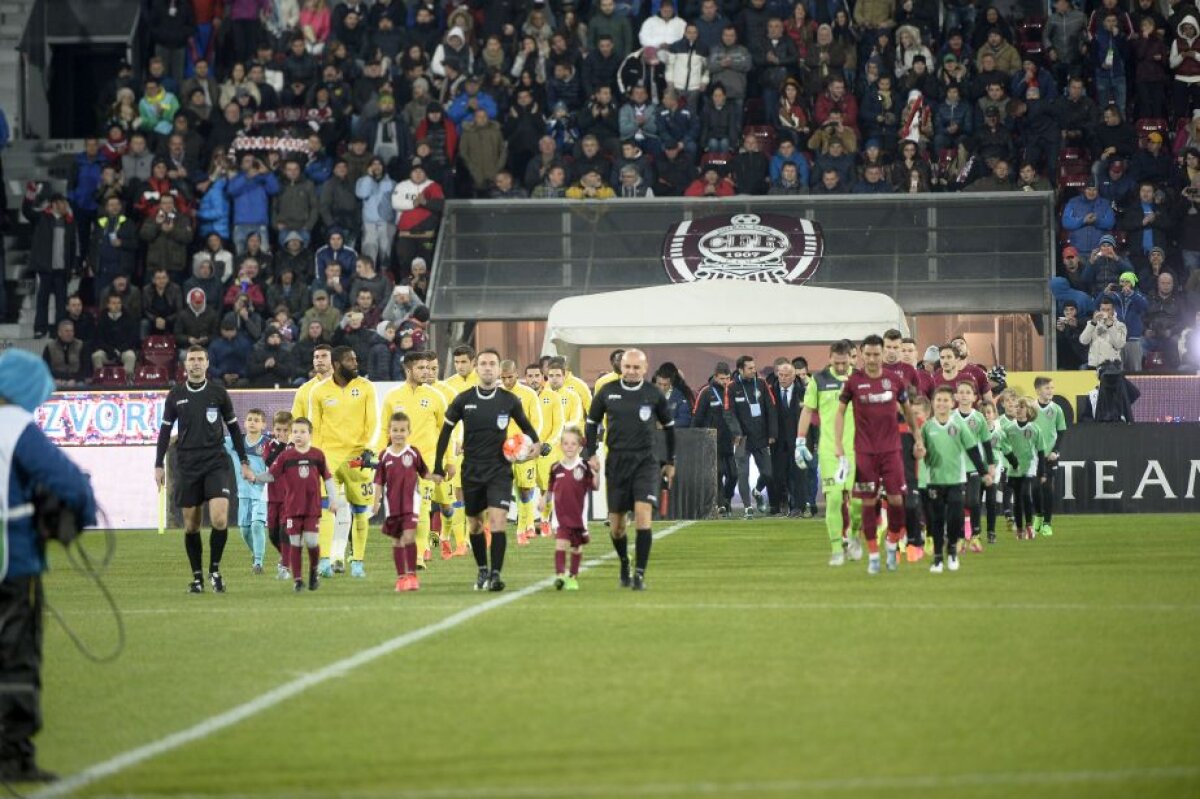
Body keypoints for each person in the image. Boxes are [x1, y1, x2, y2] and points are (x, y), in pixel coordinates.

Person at [0, 350, 97, 783]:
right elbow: (69, 483)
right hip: (12, 561)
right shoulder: (15, 425)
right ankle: (12, 755)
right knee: (16, 656)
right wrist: (80, 515)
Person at [432, 349, 542, 592]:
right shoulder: (462, 400)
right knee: (475, 525)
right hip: (471, 470)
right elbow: (445, 434)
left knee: (498, 520)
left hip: (500, 470)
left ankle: (495, 574)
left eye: (492, 363)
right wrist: (438, 465)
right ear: (476, 367)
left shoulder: (509, 400)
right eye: (483, 364)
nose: (488, 368)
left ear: (498, 369)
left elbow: (527, 427)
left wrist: (537, 445)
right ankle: (482, 569)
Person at [155, 346, 256, 593]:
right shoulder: (175, 394)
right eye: (192, 360)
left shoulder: (218, 392)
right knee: (191, 525)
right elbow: (165, 431)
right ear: (186, 365)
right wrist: (158, 464)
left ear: (208, 363)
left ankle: (215, 571)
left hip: (215, 461)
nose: (196, 363)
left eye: (201, 359)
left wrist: (243, 460)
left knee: (220, 519)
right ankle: (197, 577)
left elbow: (233, 429)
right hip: (187, 464)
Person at [584, 349, 675, 591]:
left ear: (645, 369)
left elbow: (669, 427)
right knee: (617, 526)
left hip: (645, 463)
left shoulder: (653, 393)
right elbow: (591, 423)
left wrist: (669, 462)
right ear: (621, 367)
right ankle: (625, 562)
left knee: (643, 516)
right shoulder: (607, 391)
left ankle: (640, 575)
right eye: (627, 367)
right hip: (617, 463)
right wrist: (590, 454)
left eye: (637, 367)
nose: (632, 371)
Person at [834, 334, 924, 575]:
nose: (872, 359)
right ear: (862, 354)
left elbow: (907, 410)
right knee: (868, 501)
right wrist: (838, 445)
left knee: (896, 500)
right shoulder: (853, 381)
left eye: (877, 354)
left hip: (892, 450)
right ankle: (874, 554)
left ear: (882, 353)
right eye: (868, 354)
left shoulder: (894, 380)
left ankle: (892, 542)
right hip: (864, 452)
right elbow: (840, 412)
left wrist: (917, 438)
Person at [307, 346, 378, 578]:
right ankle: (325, 560)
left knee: (360, 510)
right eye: (350, 360)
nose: (355, 363)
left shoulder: (366, 387)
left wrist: (369, 449)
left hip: (357, 456)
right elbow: (314, 427)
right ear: (337, 364)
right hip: (328, 456)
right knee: (326, 507)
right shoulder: (318, 392)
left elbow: (373, 422)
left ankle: (357, 561)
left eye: (355, 359)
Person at [375, 351, 447, 569]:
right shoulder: (392, 396)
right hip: (398, 463)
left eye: (428, 367)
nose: (426, 372)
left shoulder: (436, 397)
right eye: (421, 368)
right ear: (408, 370)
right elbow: (384, 429)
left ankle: (418, 556)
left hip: (427, 460)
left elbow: (446, 430)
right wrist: (379, 453)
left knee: (424, 507)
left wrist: (449, 459)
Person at [796, 340, 862, 566]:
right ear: (830, 358)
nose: (842, 366)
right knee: (834, 499)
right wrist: (800, 441)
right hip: (829, 450)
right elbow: (807, 410)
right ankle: (836, 548)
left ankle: (853, 536)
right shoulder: (819, 380)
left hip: (857, 450)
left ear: (851, 358)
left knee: (858, 504)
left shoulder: (861, 379)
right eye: (838, 362)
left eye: (845, 362)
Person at [921, 386, 991, 573]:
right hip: (934, 480)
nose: (942, 404)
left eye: (945, 400)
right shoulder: (927, 427)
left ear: (952, 403)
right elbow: (920, 455)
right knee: (936, 520)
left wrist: (984, 472)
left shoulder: (958, 426)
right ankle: (937, 558)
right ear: (933, 403)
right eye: (938, 400)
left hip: (956, 480)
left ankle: (952, 550)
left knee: (954, 518)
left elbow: (973, 450)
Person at [265, 418, 338, 592]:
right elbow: (271, 474)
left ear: (310, 434)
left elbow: (327, 478)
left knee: (312, 542)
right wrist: (255, 478)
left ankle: (314, 571)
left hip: (312, 507)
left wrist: (333, 499)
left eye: (302, 432)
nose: (298, 435)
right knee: (295, 542)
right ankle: (298, 580)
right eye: (295, 432)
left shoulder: (317, 454)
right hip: (291, 508)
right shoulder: (285, 456)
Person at [373, 412, 431, 592]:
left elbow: (424, 473)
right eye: (395, 430)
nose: (398, 433)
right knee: (397, 541)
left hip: (411, 503)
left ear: (409, 431)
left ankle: (412, 575)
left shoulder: (413, 452)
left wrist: (437, 476)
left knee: (409, 536)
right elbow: (379, 481)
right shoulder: (384, 455)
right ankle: (401, 578)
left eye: (402, 430)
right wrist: (376, 503)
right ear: (389, 431)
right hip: (392, 506)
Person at [542, 427, 595, 591]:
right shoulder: (555, 468)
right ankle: (559, 576)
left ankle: (572, 577)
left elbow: (595, 486)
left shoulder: (584, 467)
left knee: (576, 548)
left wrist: (597, 472)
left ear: (580, 447)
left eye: (573, 444)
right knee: (560, 545)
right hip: (561, 518)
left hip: (578, 519)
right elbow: (550, 490)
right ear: (561, 446)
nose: (569, 447)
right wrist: (543, 500)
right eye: (566, 443)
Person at [499, 360, 545, 546]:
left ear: (516, 374)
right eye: (503, 378)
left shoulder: (528, 394)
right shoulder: (496, 394)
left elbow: (536, 421)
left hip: (523, 450)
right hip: (501, 452)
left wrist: (532, 443)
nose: (507, 381)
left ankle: (525, 527)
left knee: (525, 489)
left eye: (510, 377)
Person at [726, 355, 777, 519]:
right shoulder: (732, 387)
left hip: (761, 437)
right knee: (743, 473)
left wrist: (772, 433)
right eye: (750, 368)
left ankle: (757, 491)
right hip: (742, 439)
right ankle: (747, 507)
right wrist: (737, 432)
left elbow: (771, 408)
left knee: (768, 473)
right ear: (740, 369)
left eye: (754, 367)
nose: (754, 370)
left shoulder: (762, 384)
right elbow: (729, 413)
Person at [225, 408, 270, 574]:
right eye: (250, 419)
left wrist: (258, 479)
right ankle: (256, 553)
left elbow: (275, 473)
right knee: (245, 530)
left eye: (257, 420)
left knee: (257, 526)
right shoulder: (235, 442)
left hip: (262, 495)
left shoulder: (268, 444)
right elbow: (213, 441)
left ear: (263, 425)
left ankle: (258, 563)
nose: (252, 422)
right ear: (244, 423)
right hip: (243, 496)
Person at [996, 393, 1045, 540]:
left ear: (1029, 410)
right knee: (1017, 498)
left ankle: (1029, 526)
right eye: (1017, 406)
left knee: (1024, 494)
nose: (1018, 409)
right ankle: (1019, 529)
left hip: (1029, 467)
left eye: (1021, 406)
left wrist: (1042, 472)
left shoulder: (1035, 429)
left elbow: (1041, 451)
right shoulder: (1009, 428)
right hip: (1013, 468)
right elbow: (1001, 444)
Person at [693, 362, 738, 516]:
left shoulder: (733, 391)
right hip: (711, 441)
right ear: (715, 376)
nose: (725, 382)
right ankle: (720, 506)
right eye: (722, 378)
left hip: (729, 441)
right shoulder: (706, 392)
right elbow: (697, 417)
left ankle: (726, 499)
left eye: (727, 378)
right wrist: (697, 438)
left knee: (733, 475)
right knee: (718, 474)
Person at [527, 363, 564, 539]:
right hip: (525, 450)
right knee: (525, 488)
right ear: (525, 378)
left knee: (545, 489)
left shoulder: (553, 397)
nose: (533, 379)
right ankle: (527, 525)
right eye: (530, 376)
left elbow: (558, 424)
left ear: (543, 378)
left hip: (545, 451)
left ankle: (545, 521)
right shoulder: (522, 397)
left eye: (537, 376)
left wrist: (548, 443)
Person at [1031, 377, 1067, 538]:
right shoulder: (1031, 408)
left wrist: (1056, 451)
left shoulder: (1057, 409)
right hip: (1033, 456)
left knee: (1048, 489)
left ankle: (1047, 523)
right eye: (1047, 388)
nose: (1051, 391)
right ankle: (1038, 516)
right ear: (1038, 390)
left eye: (1052, 388)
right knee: (1035, 489)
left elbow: (1061, 431)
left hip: (1050, 456)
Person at [770, 357, 804, 517]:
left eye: (786, 375)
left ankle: (797, 506)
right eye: (780, 375)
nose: (782, 378)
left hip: (797, 440)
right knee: (778, 475)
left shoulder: (803, 392)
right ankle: (779, 505)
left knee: (797, 475)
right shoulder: (770, 392)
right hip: (777, 441)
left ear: (793, 376)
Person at [1081, 297, 1128, 367]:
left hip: (1112, 366)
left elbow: (1119, 344)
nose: (1105, 312)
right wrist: (1093, 323)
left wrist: (1110, 326)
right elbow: (1083, 341)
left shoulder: (1120, 325)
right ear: (1099, 310)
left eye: (1108, 310)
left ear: (1113, 310)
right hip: (1093, 365)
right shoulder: (1092, 324)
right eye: (1103, 309)